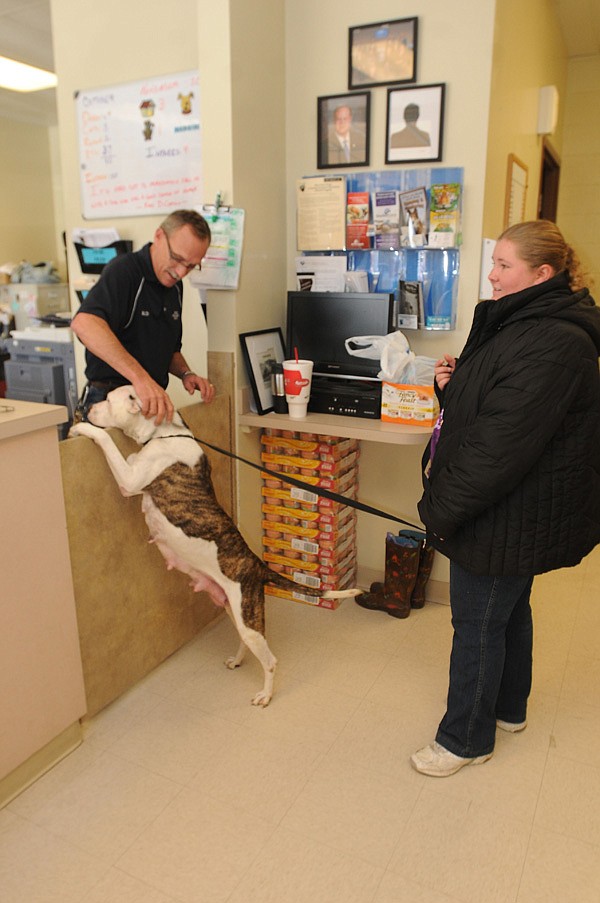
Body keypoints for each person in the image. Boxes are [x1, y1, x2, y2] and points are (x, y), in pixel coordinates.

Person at [411, 220, 600, 777]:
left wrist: (437, 511)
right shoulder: (524, 320)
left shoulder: (553, 341)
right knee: (509, 610)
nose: (491, 275)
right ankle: (510, 708)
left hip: (506, 511)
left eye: (503, 266)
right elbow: (496, 402)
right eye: (493, 262)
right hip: (519, 509)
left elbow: (498, 447)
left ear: (542, 274)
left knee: (479, 624)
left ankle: (466, 739)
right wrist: (452, 387)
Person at [71, 209, 216, 425]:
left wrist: (186, 373)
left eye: (191, 266)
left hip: (145, 407)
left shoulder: (174, 286)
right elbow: (84, 323)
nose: (181, 272)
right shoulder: (125, 271)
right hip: (110, 403)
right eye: (177, 259)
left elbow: (169, 350)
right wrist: (141, 379)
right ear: (158, 236)